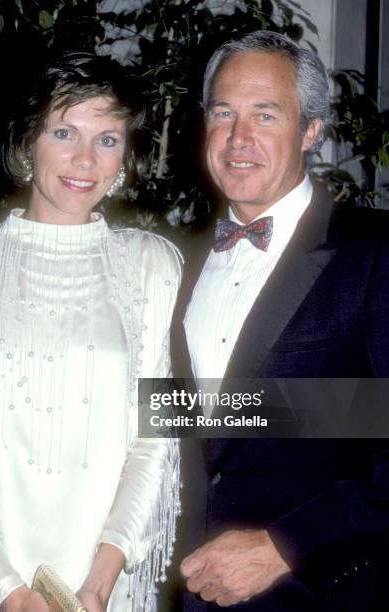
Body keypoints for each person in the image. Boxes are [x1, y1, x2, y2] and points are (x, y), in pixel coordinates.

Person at [0, 51, 181, 612]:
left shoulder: (152, 266)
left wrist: (99, 581)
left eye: (107, 139)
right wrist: (7, 590)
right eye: (64, 132)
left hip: (101, 586)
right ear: (26, 144)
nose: (85, 158)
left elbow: (156, 435)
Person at [172, 30, 389, 610]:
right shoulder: (177, 265)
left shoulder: (374, 252)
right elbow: (184, 428)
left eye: (265, 116)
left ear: (311, 131)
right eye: (224, 113)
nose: (239, 138)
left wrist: (285, 546)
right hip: (192, 592)